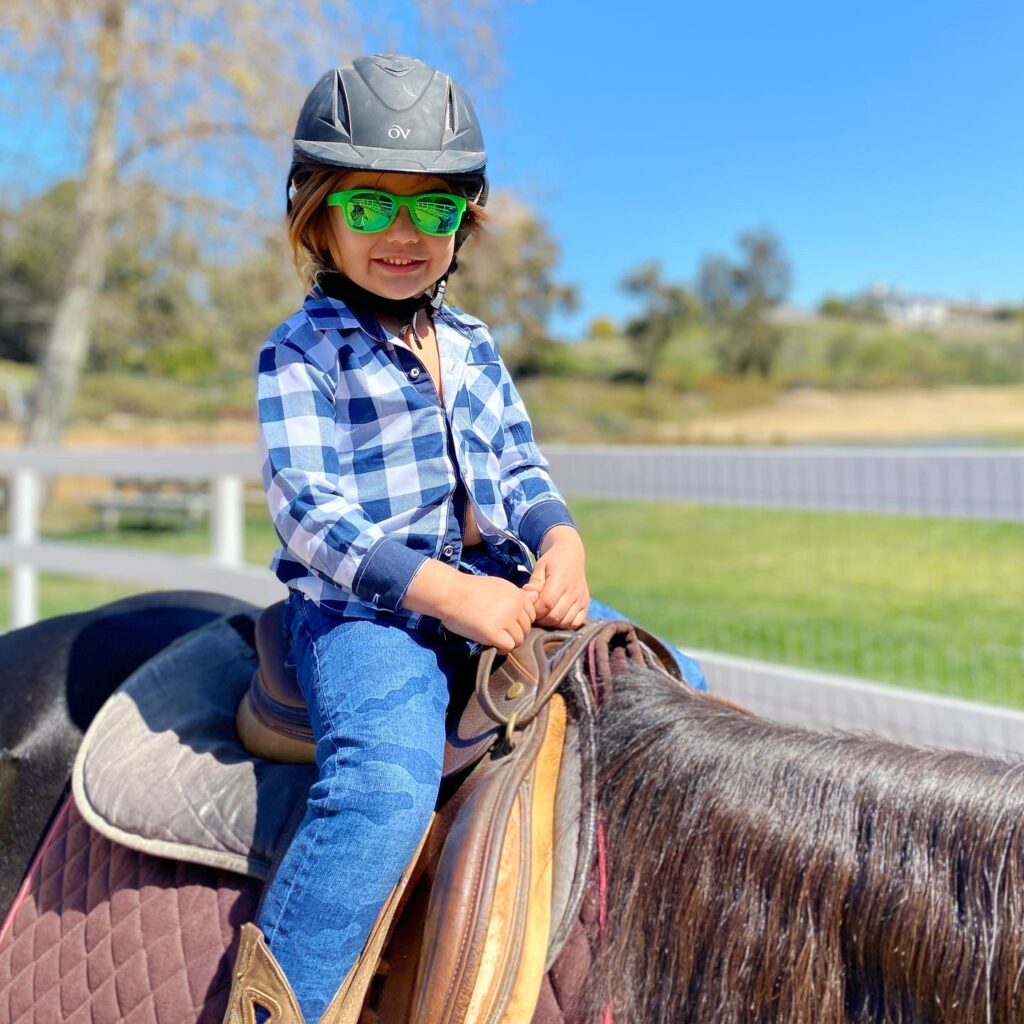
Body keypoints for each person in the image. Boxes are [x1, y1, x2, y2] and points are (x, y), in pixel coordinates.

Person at [228, 54, 705, 1023]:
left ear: (463, 225)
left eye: (434, 212)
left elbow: (518, 469)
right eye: (370, 208)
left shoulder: (474, 345)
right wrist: (443, 592)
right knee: (381, 794)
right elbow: (311, 513)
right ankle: (280, 1007)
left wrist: (558, 539)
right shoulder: (300, 352)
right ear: (316, 215)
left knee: (676, 683)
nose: (405, 235)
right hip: (370, 617)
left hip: (496, 584)